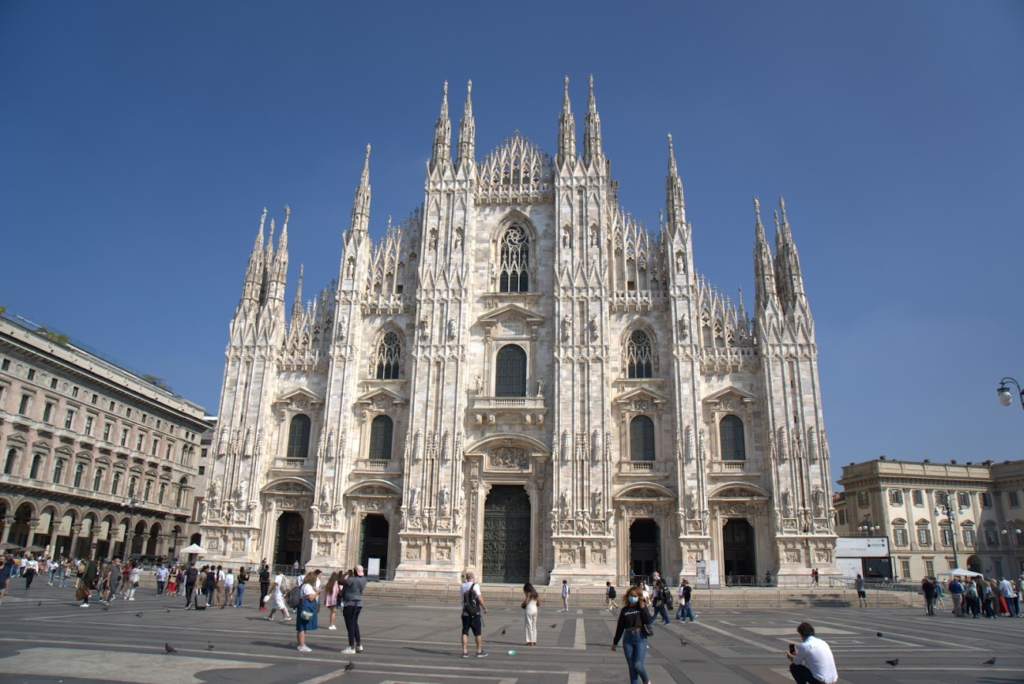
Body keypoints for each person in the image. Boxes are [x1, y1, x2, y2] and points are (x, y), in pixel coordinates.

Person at [611, 586, 653, 684]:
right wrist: (615, 642)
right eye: (630, 595)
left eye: (634, 596)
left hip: (640, 637)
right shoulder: (625, 610)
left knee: (637, 665)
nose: (632, 597)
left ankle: (646, 680)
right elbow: (620, 627)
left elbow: (648, 620)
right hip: (628, 638)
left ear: (638, 597)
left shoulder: (641, 608)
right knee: (631, 667)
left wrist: (643, 606)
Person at [459, 570, 489, 658]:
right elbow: (479, 598)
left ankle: (465, 651)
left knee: (465, 632)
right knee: (477, 633)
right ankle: (479, 651)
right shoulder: (475, 586)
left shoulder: (462, 586)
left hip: (465, 612)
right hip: (475, 613)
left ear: (466, 578)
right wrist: (485, 608)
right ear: (473, 578)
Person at [340, 565, 368, 654]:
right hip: (359, 604)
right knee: (354, 623)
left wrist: (345, 574)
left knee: (350, 625)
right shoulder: (364, 579)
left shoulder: (351, 580)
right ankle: (359, 645)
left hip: (350, 604)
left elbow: (340, 581)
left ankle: (351, 646)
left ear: (355, 572)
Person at [295, 570, 321, 652]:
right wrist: (317, 592)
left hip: (303, 606)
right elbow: (311, 598)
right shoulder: (307, 586)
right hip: (306, 606)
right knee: (302, 626)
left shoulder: (304, 585)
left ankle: (301, 644)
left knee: (302, 626)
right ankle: (301, 645)